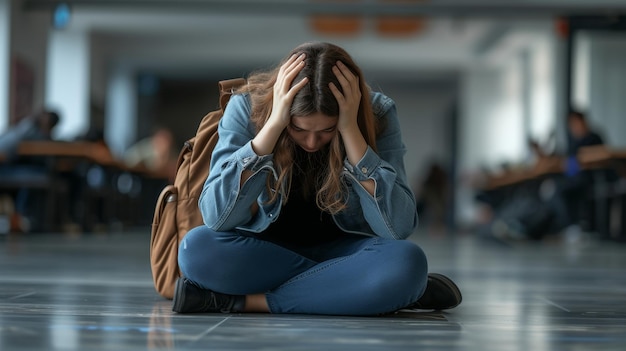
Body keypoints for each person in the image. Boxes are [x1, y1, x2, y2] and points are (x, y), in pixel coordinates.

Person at [172, 42, 462, 316]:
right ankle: (357, 288)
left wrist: (351, 131)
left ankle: (248, 302)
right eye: (299, 129)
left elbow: (397, 228)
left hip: (349, 249)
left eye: (327, 130)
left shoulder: (378, 113)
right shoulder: (246, 108)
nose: (312, 142)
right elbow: (218, 218)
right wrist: (273, 126)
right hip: (263, 251)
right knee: (194, 249)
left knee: (407, 262)